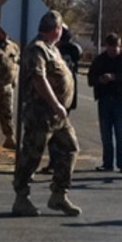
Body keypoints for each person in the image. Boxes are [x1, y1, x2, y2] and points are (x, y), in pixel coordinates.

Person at [12, 10, 81, 217]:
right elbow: (38, 78)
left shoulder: (53, 49)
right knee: (32, 155)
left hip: (57, 115)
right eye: (61, 29)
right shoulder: (37, 49)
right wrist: (55, 104)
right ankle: (21, 198)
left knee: (70, 149)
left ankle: (59, 194)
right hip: (40, 113)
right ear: (57, 29)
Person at [87, 33, 122, 173]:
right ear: (107, 46)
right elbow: (91, 79)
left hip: (120, 100)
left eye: (116, 46)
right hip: (104, 100)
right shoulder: (100, 60)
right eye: (111, 47)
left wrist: (115, 77)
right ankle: (107, 163)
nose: (114, 49)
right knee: (106, 134)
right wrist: (100, 79)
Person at [40, 24, 83, 174]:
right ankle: (55, 162)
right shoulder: (49, 51)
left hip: (65, 98)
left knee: (57, 135)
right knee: (53, 135)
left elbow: (77, 53)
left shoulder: (71, 50)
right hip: (54, 98)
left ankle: (57, 163)